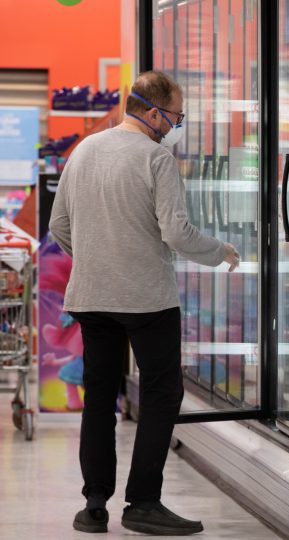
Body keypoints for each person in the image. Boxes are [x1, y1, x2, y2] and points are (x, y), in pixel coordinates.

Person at [49, 70, 240, 536]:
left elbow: (59, 226)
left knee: (99, 396)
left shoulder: (84, 150)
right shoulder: (156, 159)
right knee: (160, 393)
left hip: (92, 297)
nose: (176, 125)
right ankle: (143, 502)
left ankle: (94, 506)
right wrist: (220, 252)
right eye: (175, 116)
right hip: (147, 299)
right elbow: (176, 233)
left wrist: (96, 259)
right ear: (153, 112)